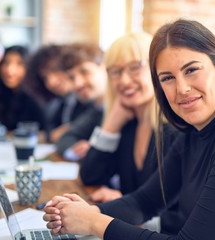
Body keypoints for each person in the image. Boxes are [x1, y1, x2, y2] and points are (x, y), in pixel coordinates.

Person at [43, 19, 215, 239]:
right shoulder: (192, 135)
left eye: (191, 70)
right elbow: (142, 202)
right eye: (167, 78)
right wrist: (87, 211)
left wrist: (94, 223)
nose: (181, 88)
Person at [69, 32, 178, 208]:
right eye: (116, 72)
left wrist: (123, 204)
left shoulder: (176, 128)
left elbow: (176, 211)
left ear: (156, 69)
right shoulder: (128, 124)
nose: (124, 81)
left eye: (135, 67)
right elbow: (89, 176)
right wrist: (110, 125)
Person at [54, 43, 107, 156]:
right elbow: (65, 138)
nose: (78, 84)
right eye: (71, 77)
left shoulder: (123, 106)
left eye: (84, 72)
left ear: (104, 67)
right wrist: (77, 149)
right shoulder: (96, 108)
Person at [24, 44, 77, 143]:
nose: (51, 82)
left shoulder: (87, 100)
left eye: (55, 70)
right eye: (44, 77)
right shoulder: (57, 105)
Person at [0, 45, 45, 131]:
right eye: (6, 63)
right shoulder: (2, 93)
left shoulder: (38, 97)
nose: (10, 70)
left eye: (19, 64)